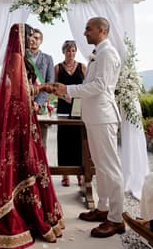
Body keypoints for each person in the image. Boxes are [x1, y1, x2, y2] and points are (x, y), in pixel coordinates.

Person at [0, 24, 64, 247]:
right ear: (20, 37)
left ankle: (27, 209)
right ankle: (14, 212)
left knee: (26, 160)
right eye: (28, 36)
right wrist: (44, 88)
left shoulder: (19, 57)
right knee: (17, 161)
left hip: (24, 113)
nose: (30, 39)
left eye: (33, 36)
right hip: (18, 115)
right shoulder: (15, 57)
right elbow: (19, 90)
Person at [43, 17, 125, 238]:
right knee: (100, 165)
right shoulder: (98, 52)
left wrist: (68, 90)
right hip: (94, 116)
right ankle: (103, 207)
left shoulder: (107, 53)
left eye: (88, 28)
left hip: (104, 116)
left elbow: (99, 87)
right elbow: (90, 87)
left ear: (101, 30)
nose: (85, 32)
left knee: (110, 167)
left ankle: (116, 219)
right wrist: (64, 93)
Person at [53, 40, 87, 188]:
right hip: (63, 107)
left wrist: (76, 97)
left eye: (73, 50)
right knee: (64, 141)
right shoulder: (57, 68)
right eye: (68, 50)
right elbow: (54, 88)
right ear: (63, 52)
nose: (71, 53)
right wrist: (64, 97)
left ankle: (79, 174)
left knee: (78, 141)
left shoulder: (82, 67)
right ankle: (65, 175)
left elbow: (86, 87)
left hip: (78, 107)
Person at [26, 28, 54, 113]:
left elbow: (50, 83)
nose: (34, 40)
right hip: (25, 102)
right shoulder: (21, 56)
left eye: (37, 38)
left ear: (41, 41)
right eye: (32, 37)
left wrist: (38, 103)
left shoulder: (48, 59)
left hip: (41, 105)